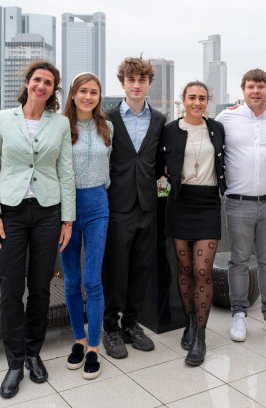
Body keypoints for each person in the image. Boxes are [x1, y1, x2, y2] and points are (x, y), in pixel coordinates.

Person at [0, 60, 75, 398]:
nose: (42, 86)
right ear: (27, 82)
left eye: (48, 82)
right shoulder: (2, 119)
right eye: (37, 79)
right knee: (10, 287)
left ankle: (34, 352)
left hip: (49, 213)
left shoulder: (61, 123)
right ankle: (14, 362)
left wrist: (68, 219)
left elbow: (65, 173)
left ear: (53, 89)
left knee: (39, 287)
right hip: (11, 213)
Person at [215, 69, 266, 343]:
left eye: (260, 86)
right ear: (243, 90)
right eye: (250, 87)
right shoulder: (226, 117)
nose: (255, 91)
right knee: (238, 260)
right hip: (237, 203)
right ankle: (239, 315)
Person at [102, 56, 166, 359]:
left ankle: (131, 323)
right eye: (131, 80)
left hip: (148, 204)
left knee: (141, 268)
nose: (137, 85)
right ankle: (110, 327)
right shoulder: (107, 118)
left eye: (142, 80)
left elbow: (161, 164)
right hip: (117, 204)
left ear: (149, 83)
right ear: (123, 83)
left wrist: (161, 195)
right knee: (115, 269)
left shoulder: (160, 119)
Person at [160, 81, 226, 366]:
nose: (197, 103)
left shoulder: (217, 128)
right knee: (185, 267)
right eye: (192, 98)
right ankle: (189, 322)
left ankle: (200, 336)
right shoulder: (170, 130)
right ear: (183, 101)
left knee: (202, 268)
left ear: (207, 101)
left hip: (209, 202)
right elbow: (158, 165)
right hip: (180, 202)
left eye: (202, 98)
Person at [60, 72, 112, 379]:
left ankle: (94, 345)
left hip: (97, 206)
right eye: (83, 91)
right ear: (73, 94)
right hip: (65, 208)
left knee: (92, 280)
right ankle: (78, 340)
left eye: (93, 91)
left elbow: (110, 167)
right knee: (71, 280)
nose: (88, 96)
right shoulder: (60, 127)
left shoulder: (107, 128)